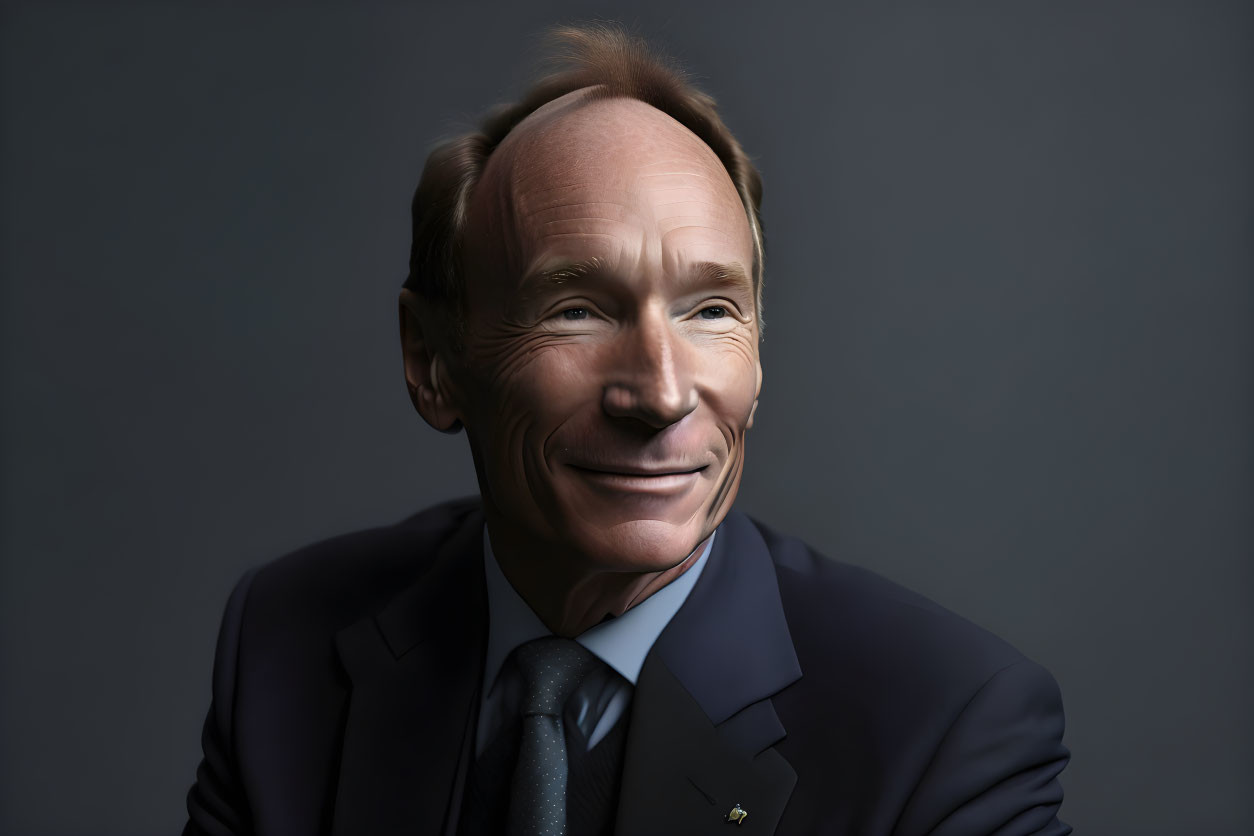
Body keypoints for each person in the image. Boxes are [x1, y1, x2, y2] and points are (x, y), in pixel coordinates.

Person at [183, 23, 1070, 836]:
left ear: (758, 356)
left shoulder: (946, 726)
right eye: (576, 309)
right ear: (433, 362)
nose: (662, 391)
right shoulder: (285, 644)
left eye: (711, 309)